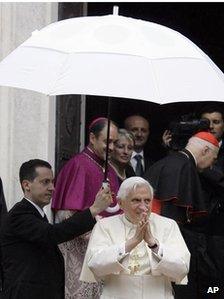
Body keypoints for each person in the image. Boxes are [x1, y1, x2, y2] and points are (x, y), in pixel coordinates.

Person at [0, 159, 112, 299]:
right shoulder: (19, 215)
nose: (52, 188)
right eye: (45, 182)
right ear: (26, 185)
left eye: (52, 182)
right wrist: (93, 210)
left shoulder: (37, 215)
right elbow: (52, 234)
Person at [80, 177, 190, 299]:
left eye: (147, 201)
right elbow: (95, 265)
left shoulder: (168, 225)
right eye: (136, 200)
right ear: (121, 203)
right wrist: (131, 243)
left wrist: (154, 245)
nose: (143, 207)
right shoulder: (105, 225)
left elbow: (182, 269)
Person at [52, 117, 122, 299]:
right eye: (107, 141)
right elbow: (65, 216)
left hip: (104, 252)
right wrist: (100, 234)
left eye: (115, 142)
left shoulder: (110, 170)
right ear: (92, 138)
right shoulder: (78, 165)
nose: (112, 148)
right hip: (80, 251)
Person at [145, 131, 220, 298]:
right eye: (213, 159)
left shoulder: (170, 161)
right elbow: (171, 216)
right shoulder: (184, 166)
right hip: (160, 245)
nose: (211, 165)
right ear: (205, 151)